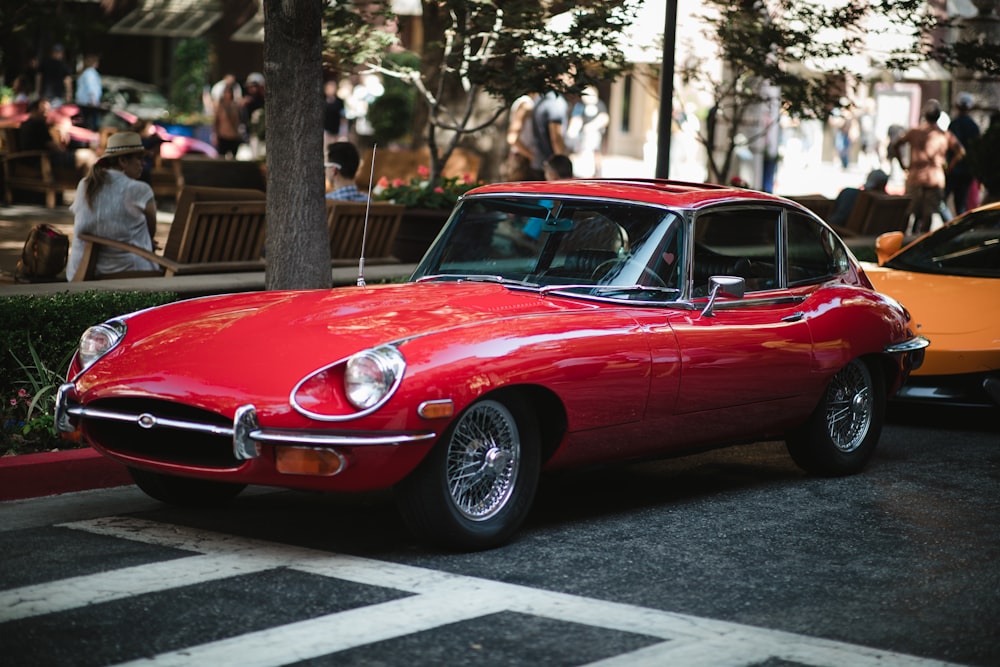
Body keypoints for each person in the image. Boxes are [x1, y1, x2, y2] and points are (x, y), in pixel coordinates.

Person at [65, 132, 159, 280]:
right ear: (122, 161)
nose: (144, 163)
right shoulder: (140, 189)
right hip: (127, 271)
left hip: (80, 271)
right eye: (139, 158)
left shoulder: (85, 184)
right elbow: (151, 230)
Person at [889, 99, 966, 235]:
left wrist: (903, 165)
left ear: (924, 115)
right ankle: (920, 241)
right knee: (927, 214)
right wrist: (948, 168)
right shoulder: (944, 135)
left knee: (908, 212)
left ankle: (899, 240)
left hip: (915, 177)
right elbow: (961, 151)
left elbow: (896, 144)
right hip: (934, 178)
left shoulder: (915, 132)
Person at [945, 92, 981, 215]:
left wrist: (950, 166)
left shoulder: (954, 124)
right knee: (961, 203)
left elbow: (959, 151)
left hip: (954, 170)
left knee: (942, 201)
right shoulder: (974, 126)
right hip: (967, 171)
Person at [565, 86, 609, 178]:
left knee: (595, 154)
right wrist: (572, 131)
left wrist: (591, 127)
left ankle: (597, 174)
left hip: (594, 135)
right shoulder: (580, 106)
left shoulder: (599, 105)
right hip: (581, 137)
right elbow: (576, 119)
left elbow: (604, 118)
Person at [531, 89, 569, 179]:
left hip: (539, 164)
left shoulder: (539, 99)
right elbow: (556, 138)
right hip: (551, 168)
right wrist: (563, 169)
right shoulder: (555, 101)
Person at [504, 92, 541, 181]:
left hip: (526, 159)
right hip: (521, 159)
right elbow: (512, 138)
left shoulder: (532, 103)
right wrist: (532, 156)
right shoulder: (526, 104)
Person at [213, 84, 243, 159]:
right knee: (221, 158)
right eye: (226, 93)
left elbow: (238, 120)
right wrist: (215, 135)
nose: (228, 95)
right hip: (223, 136)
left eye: (229, 93)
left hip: (233, 136)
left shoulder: (235, 106)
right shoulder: (220, 107)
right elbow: (216, 122)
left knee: (234, 158)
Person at [74, 54, 103, 131]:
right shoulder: (90, 73)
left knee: (84, 122)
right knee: (91, 124)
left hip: (82, 102)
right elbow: (91, 87)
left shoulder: (83, 72)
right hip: (89, 103)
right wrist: (93, 100)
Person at [323, 79, 345, 149]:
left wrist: (343, 132)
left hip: (335, 130)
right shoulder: (322, 101)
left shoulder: (339, 102)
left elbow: (343, 116)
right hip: (325, 129)